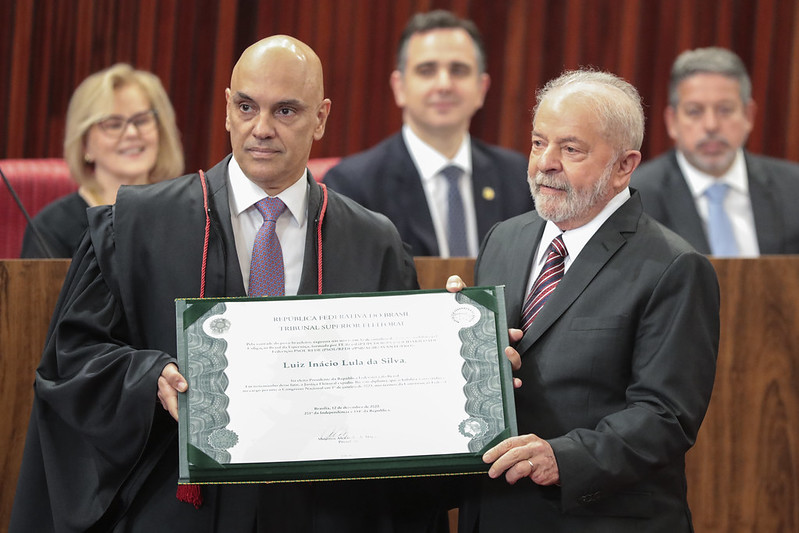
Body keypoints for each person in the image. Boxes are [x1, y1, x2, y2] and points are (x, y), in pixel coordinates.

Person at [10, 36, 448, 532]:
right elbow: (72, 362)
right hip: (176, 508)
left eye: (286, 110)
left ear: (321, 117)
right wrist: (148, 378)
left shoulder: (374, 242)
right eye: (246, 107)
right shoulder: (134, 227)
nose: (261, 129)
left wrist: (451, 352)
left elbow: (403, 397)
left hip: (324, 511)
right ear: (226, 109)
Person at [447, 69, 719, 532]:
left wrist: (564, 457)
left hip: (597, 517)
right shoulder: (503, 239)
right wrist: (455, 344)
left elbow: (665, 417)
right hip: (494, 512)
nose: (544, 163)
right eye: (537, 143)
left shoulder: (675, 267)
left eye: (570, 149)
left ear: (623, 166)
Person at [324, 9, 531, 257]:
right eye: (426, 70)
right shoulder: (352, 186)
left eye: (458, 70)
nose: (444, 84)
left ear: (481, 88)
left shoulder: (519, 177)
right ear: (399, 87)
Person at [631, 46, 799, 256]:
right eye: (695, 111)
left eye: (725, 110)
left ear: (749, 116)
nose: (711, 125)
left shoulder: (793, 188)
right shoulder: (636, 199)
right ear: (672, 121)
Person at [20, 63, 184, 258]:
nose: (132, 133)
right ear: (84, 145)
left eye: (141, 120)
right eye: (113, 124)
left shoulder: (190, 217)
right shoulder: (51, 229)